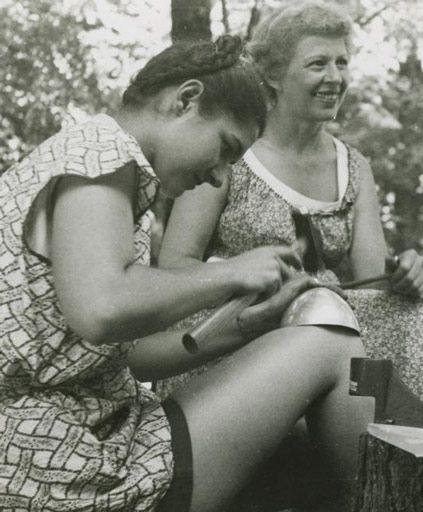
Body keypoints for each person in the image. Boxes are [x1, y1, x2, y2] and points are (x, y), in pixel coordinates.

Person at [0, 35, 372, 512]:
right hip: (63, 470)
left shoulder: (89, 163)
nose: (219, 177)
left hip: (81, 442)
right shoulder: (100, 153)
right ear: (187, 100)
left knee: (300, 448)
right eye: (224, 148)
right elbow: (103, 308)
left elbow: (118, 358)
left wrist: (244, 330)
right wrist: (234, 272)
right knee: (331, 344)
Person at [154, 0, 423, 419]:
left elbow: (371, 285)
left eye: (342, 62)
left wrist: (407, 274)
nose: (335, 78)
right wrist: (241, 276)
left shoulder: (354, 167)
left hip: (327, 319)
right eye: (318, 63)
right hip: (242, 323)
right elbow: (175, 263)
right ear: (273, 74)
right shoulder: (232, 150)